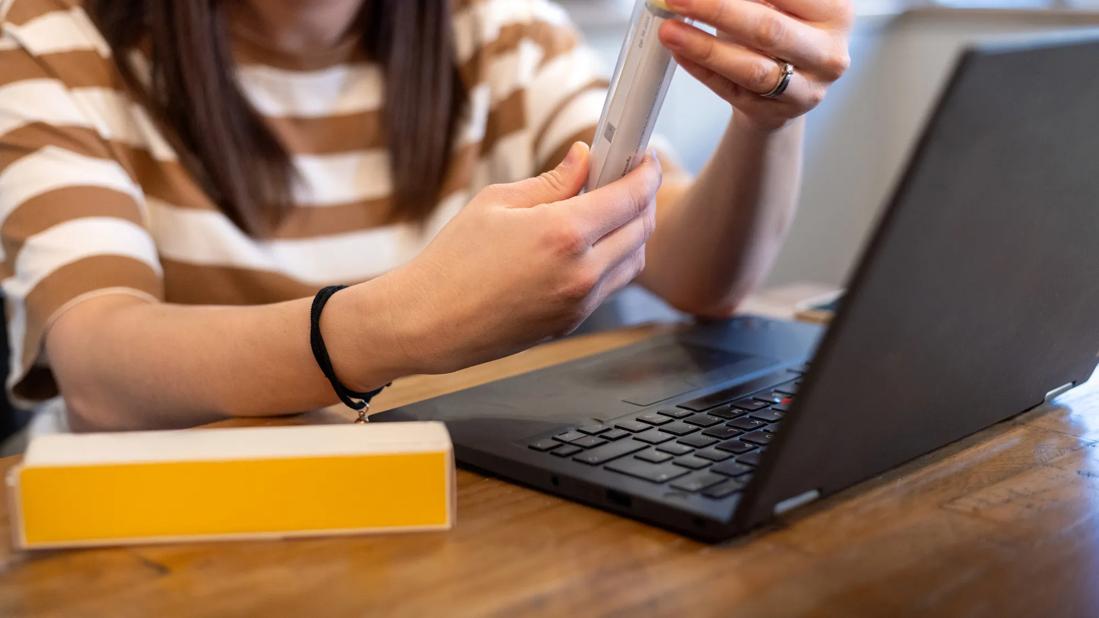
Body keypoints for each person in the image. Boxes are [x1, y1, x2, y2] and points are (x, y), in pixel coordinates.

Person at [0, 0, 852, 431]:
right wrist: (394, 324)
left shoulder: (492, 27)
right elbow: (96, 362)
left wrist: (767, 117)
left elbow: (700, 277)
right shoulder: (52, 33)